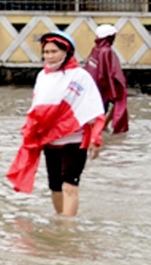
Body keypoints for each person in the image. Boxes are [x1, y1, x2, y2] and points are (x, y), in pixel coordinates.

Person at [8, 31, 106, 217]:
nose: (49, 56)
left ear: (66, 52)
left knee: (69, 185)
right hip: (51, 141)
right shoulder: (42, 77)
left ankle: (68, 227)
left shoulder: (80, 76)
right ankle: (60, 222)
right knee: (55, 187)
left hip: (75, 140)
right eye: (46, 52)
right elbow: (37, 109)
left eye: (54, 52)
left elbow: (93, 109)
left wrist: (96, 137)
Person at [85, 23, 129, 134]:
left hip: (94, 87)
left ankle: (100, 128)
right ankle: (103, 128)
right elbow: (113, 72)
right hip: (103, 87)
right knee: (115, 104)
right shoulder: (106, 51)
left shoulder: (96, 49)